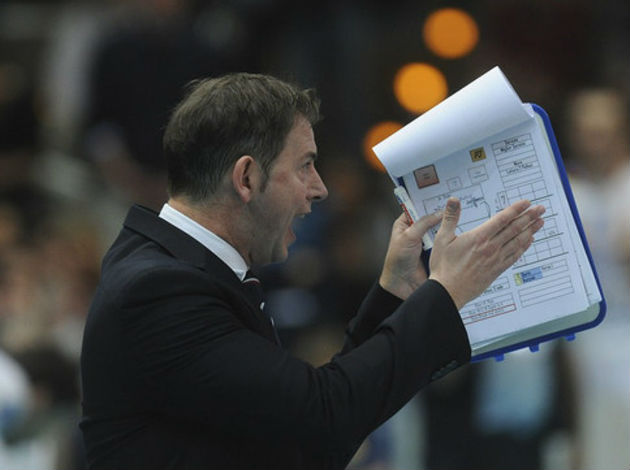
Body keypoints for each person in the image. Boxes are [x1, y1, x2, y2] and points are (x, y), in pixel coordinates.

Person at [79, 73, 545, 468]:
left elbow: (304, 426)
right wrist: (444, 294)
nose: (319, 190)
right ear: (246, 178)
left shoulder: (173, 271)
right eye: (305, 166)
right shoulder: (160, 291)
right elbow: (319, 423)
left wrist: (393, 294)